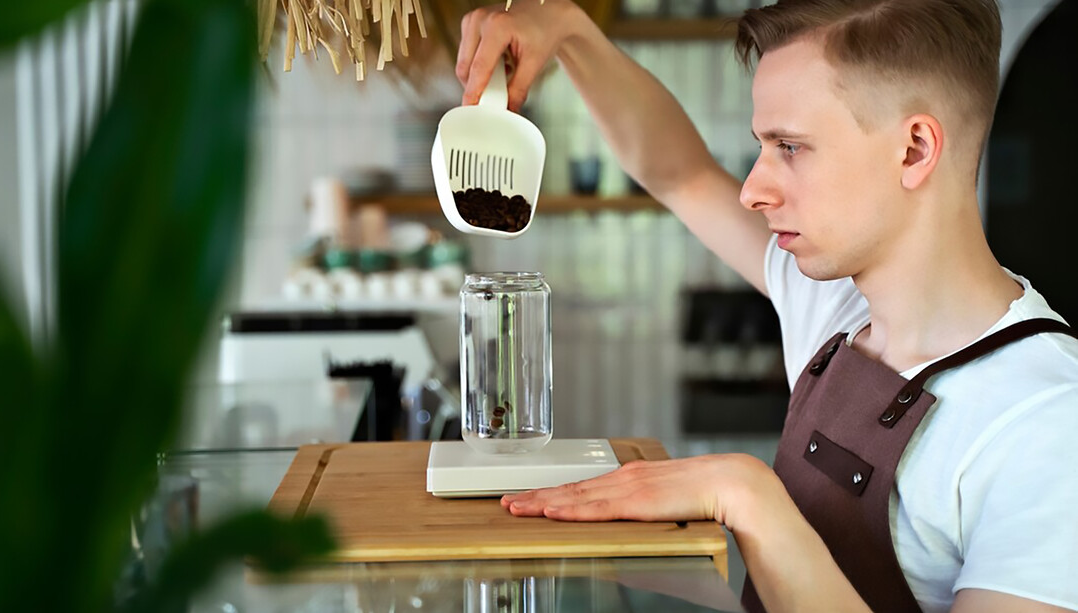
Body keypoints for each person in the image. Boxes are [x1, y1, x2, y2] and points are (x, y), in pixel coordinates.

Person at [454, 1, 1078, 612]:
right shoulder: (835, 309)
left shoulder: (1045, 420)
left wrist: (747, 495)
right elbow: (679, 172)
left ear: (914, 149)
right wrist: (567, 27)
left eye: (791, 147)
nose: (753, 189)